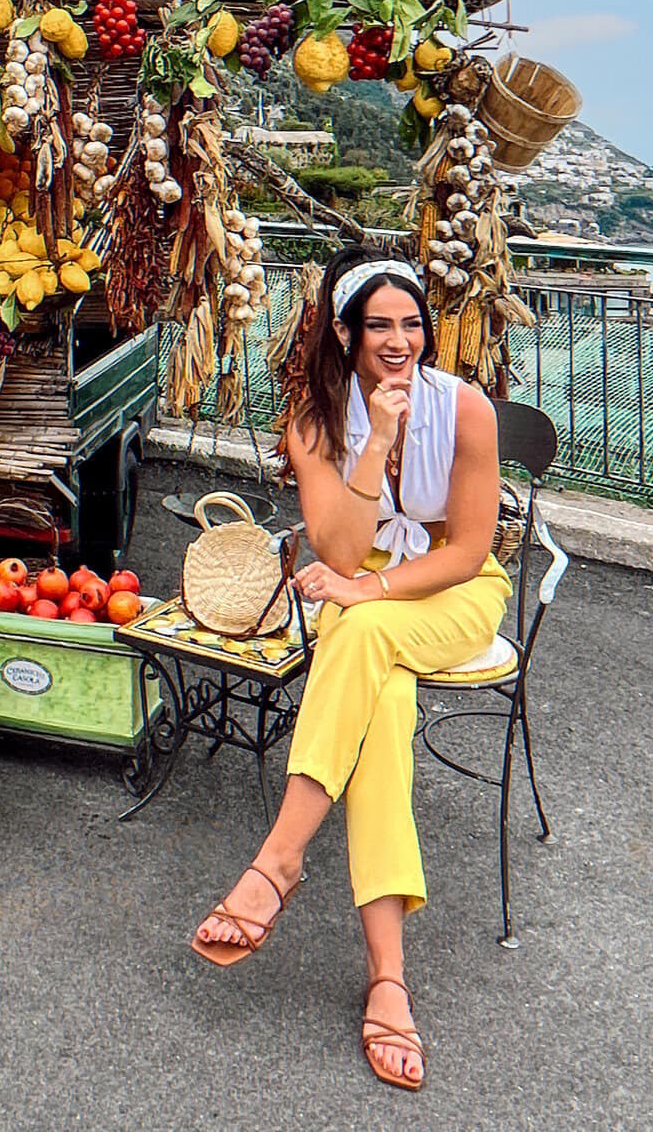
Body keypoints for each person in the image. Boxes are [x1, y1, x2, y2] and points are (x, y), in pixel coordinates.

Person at [191, 246, 511, 1093]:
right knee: (382, 719)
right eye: (380, 325)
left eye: (412, 323)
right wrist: (379, 438)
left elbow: (470, 550)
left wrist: (367, 587)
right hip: (356, 578)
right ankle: (387, 978)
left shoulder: (467, 410)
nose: (400, 340)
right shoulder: (315, 419)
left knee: (359, 634)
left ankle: (278, 860)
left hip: (448, 590)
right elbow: (334, 543)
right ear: (345, 332)